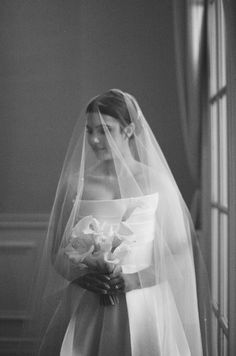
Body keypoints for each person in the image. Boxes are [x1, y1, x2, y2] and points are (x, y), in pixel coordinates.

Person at [30, 89, 206, 355]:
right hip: (88, 302)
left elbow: (180, 253)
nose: (95, 139)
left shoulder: (157, 182)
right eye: (89, 130)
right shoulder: (75, 184)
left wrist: (135, 280)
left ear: (129, 130)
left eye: (105, 130)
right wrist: (82, 277)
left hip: (144, 302)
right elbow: (56, 251)